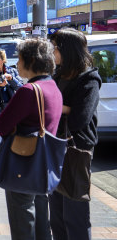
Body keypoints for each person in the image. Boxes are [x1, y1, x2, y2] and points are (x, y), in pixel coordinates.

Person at [0, 38, 63, 240]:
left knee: (23, 223)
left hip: (22, 166)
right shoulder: (52, 86)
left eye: (21, 59)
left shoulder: (28, 91)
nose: (17, 64)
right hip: (43, 166)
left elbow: (0, 126)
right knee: (42, 223)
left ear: (31, 61)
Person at [49, 28, 101, 240]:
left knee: (75, 214)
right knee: (57, 216)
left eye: (55, 48)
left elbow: (81, 118)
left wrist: (54, 104)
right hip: (55, 147)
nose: (52, 52)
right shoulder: (58, 75)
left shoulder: (88, 79)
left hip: (77, 150)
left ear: (66, 50)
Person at [0, 48, 21, 153]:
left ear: (3, 60)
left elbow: (20, 88)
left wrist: (11, 79)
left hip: (8, 107)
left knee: (9, 131)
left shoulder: (11, 71)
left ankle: (8, 152)